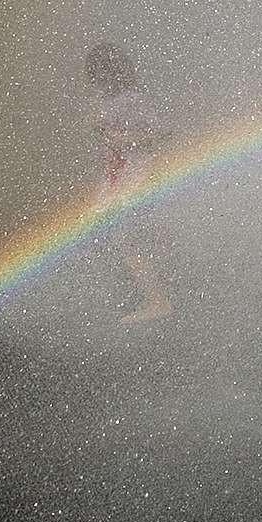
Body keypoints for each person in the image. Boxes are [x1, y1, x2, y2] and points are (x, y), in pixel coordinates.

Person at [83, 43, 170, 324]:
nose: (93, 83)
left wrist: (123, 140)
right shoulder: (107, 100)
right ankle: (139, 294)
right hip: (117, 177)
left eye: (95, 75)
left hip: (135, 176)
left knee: (128, 239)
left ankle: (157, 300)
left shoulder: (132, 99)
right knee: (117, 238)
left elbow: (161, 133)